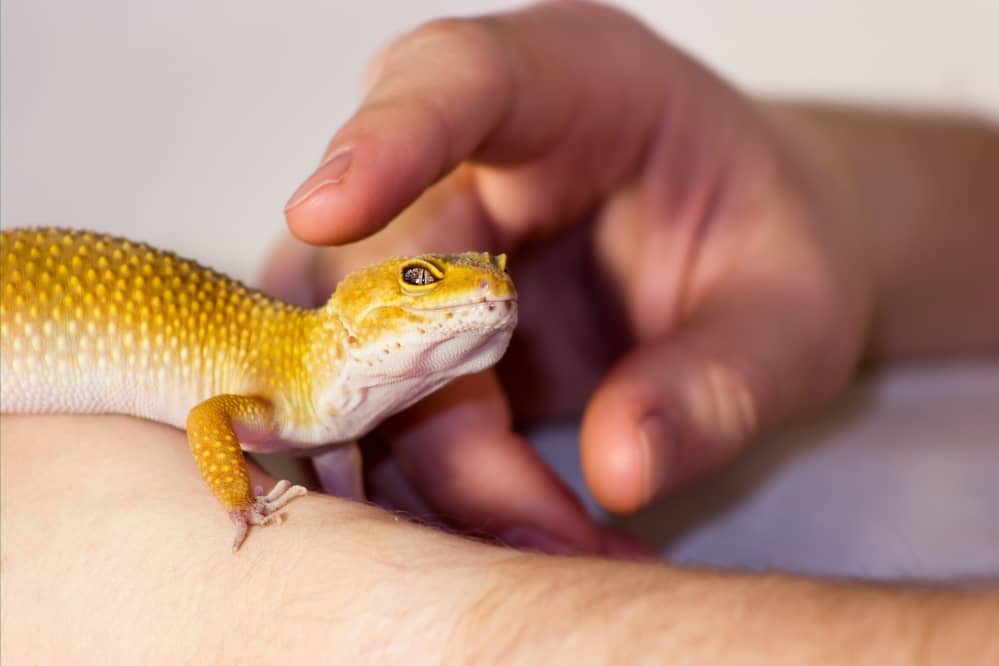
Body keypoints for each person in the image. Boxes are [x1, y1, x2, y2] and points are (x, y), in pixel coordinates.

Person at [3, 2, 996, 662]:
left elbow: (335, 460)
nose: (479, 289)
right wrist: (246, 512)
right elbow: (219, 417)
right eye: (432, 278)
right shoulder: (291, 382)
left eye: (489, 281)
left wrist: (326, 610)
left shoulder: (328, 411)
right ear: (354, 310)